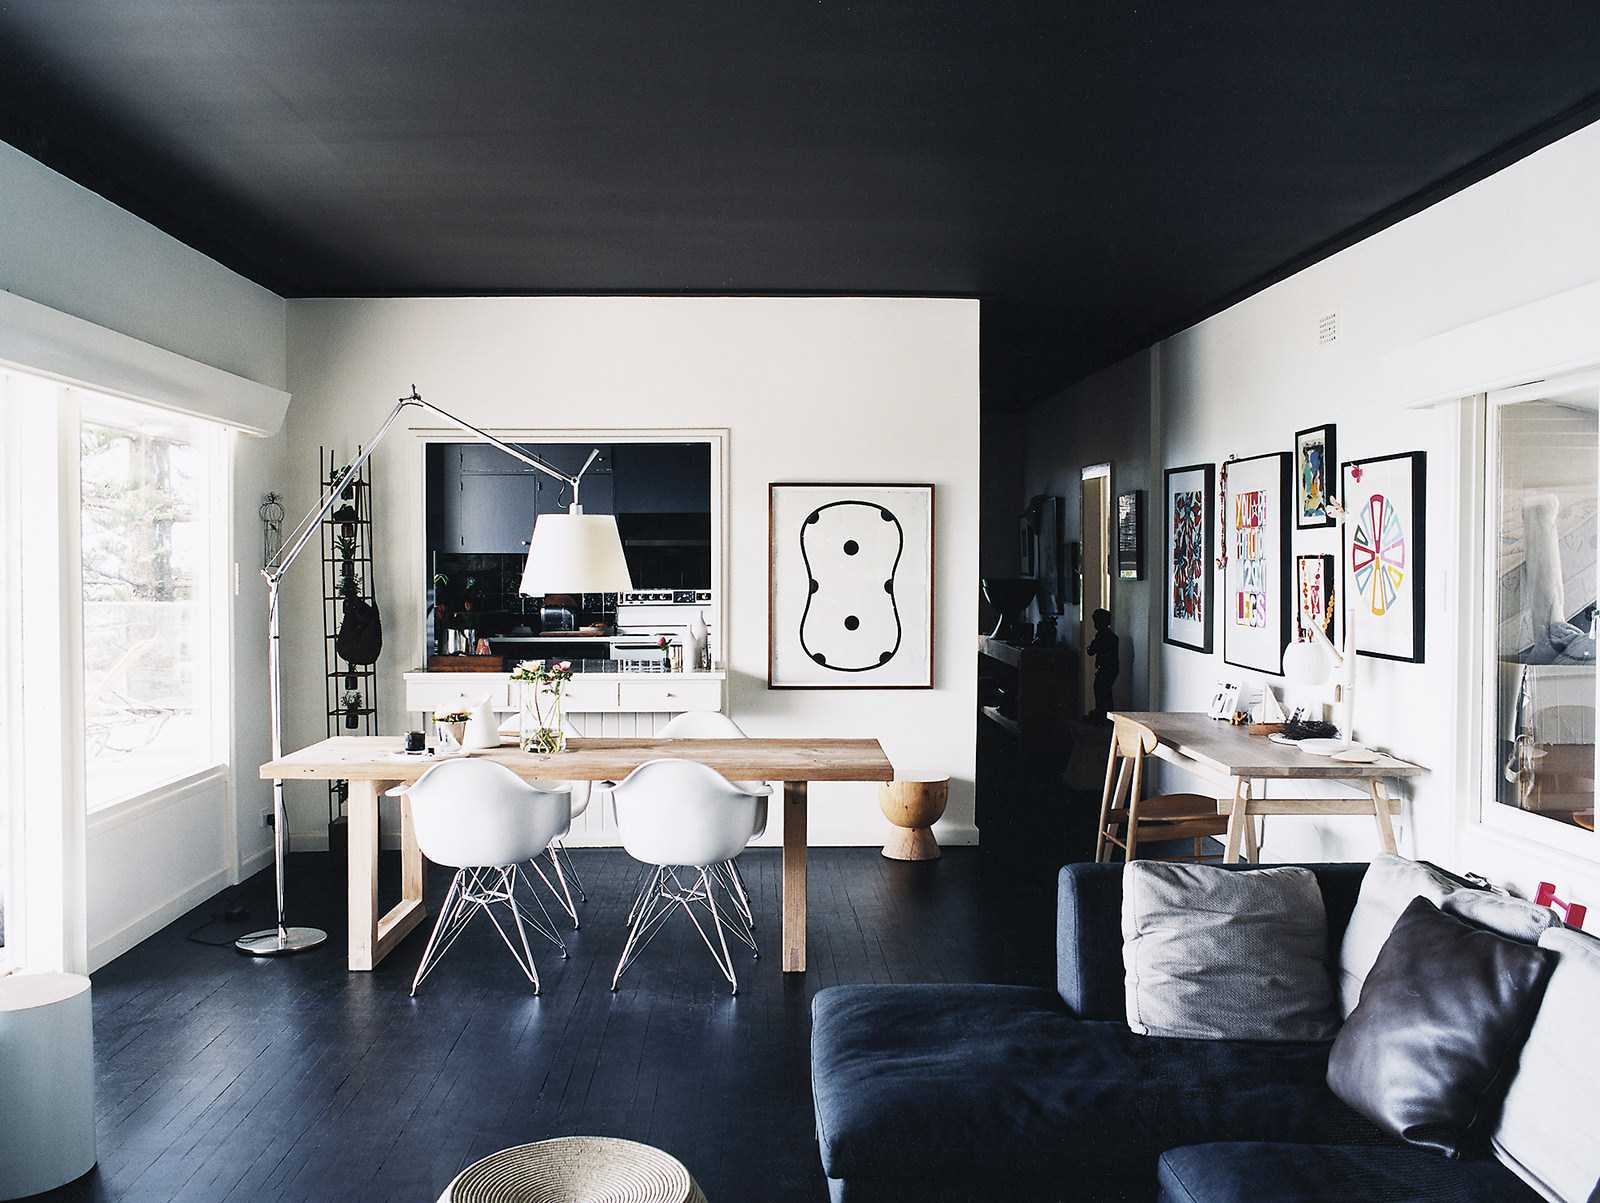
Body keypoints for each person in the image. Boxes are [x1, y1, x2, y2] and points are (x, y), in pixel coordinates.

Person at [1086, 607, 1119, 721]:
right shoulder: (1112, 636)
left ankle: (1102, 717)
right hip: (1111, 669)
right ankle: (1106, 717)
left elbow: (1091, 651)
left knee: (1100, 693)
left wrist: (1091, 647)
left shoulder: (1102, 636)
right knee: (1105, 693)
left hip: (1106, 669)